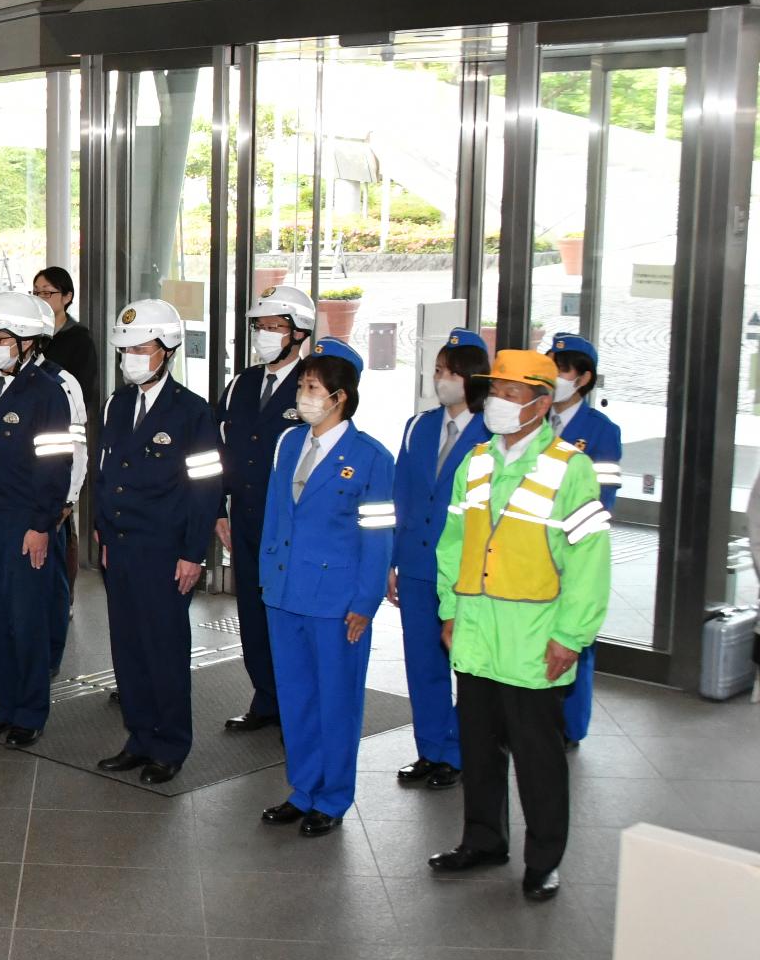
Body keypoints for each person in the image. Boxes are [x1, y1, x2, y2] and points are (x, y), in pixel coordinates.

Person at [430, 349, 612, 903]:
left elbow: (588, 562)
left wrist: (571, 636)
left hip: (536, 639)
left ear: (540, 401)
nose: (499, 402)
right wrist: (449, 609)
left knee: (538, 758)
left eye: (512, 393)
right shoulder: (478, 461)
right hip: (479, 632)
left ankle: (544, 860)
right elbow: (454, 543)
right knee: (479, 749)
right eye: (495, 391)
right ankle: (483, 841)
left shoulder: (570, 467)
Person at [256, 339, 396, 836]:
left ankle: (333, 798)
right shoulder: (289, 443)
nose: (303, 394)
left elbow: (378, 537)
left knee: (336, 701)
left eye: (312, 386)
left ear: (339, 396)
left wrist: (366, 602)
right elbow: (276, 515)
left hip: (337, 602)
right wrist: (266, 576)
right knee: (296, 698)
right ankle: (303, 788)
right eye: (301, 385)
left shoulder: (371, 457)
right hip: (285, 593)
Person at [91, 299, 221, 784]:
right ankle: (139, 736)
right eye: (125, 347)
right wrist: (104, 530)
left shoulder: (192, 412)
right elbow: (105, 474)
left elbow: (205, 490)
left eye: (142, 347)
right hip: (121, 545)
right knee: (128, 647)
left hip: (166, 550)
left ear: (166, 351)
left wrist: (193, 553)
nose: (131, 356)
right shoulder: (117, 403)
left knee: (163, 648)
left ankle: (169, 744)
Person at [0, 293, 77, 747]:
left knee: (25, 620)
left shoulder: (48, 392)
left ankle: (29, 711)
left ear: (29, 342)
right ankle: (3, 705)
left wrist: (41, 524)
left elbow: (55, 465)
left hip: (24, 522)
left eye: (2, 337)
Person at [389, 328, 492, 789]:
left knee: (465, 665)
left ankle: (460, 748)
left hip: (466, 570)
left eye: (448, 372)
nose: (440, 380)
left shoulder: (493, 432)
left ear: (471, 378)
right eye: (437, 372)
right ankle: (431, 749)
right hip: (415, 565)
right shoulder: (419, 425)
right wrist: (391, 560)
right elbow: (401, 496)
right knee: (421, 662)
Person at [212, 284, 315, 734]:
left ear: (299, 332)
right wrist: (218, 508)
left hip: (292, 523)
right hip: (247, 518)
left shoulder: (315, 384)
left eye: (275, 326)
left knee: (289, 612)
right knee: (253, 610)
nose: (265, 334)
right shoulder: (242, 383)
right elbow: (215, 450)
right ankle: (266, 697)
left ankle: (299, 704)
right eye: (260, 326)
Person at [547, 332, 623, 746]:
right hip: (532, 552)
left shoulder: (600, 430)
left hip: (573, 551)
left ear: (583, 378)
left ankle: (570, 727)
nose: (554, 376)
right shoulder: (533, 421)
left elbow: (602, 499)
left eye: (562, 370)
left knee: (576, 640)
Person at [33, 307, 91, 679]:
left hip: (51, 503)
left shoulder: (61, 381)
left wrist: (68, 499)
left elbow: (76, 445)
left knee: (49, 583)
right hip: (6, 506)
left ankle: (50, 655)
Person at [31, 266, 94, 400]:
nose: (39, 298)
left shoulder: (80, 339)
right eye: (36, 292)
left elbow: (82, 389)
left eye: (46, 293)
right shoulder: (28, 334)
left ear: (67, 297)